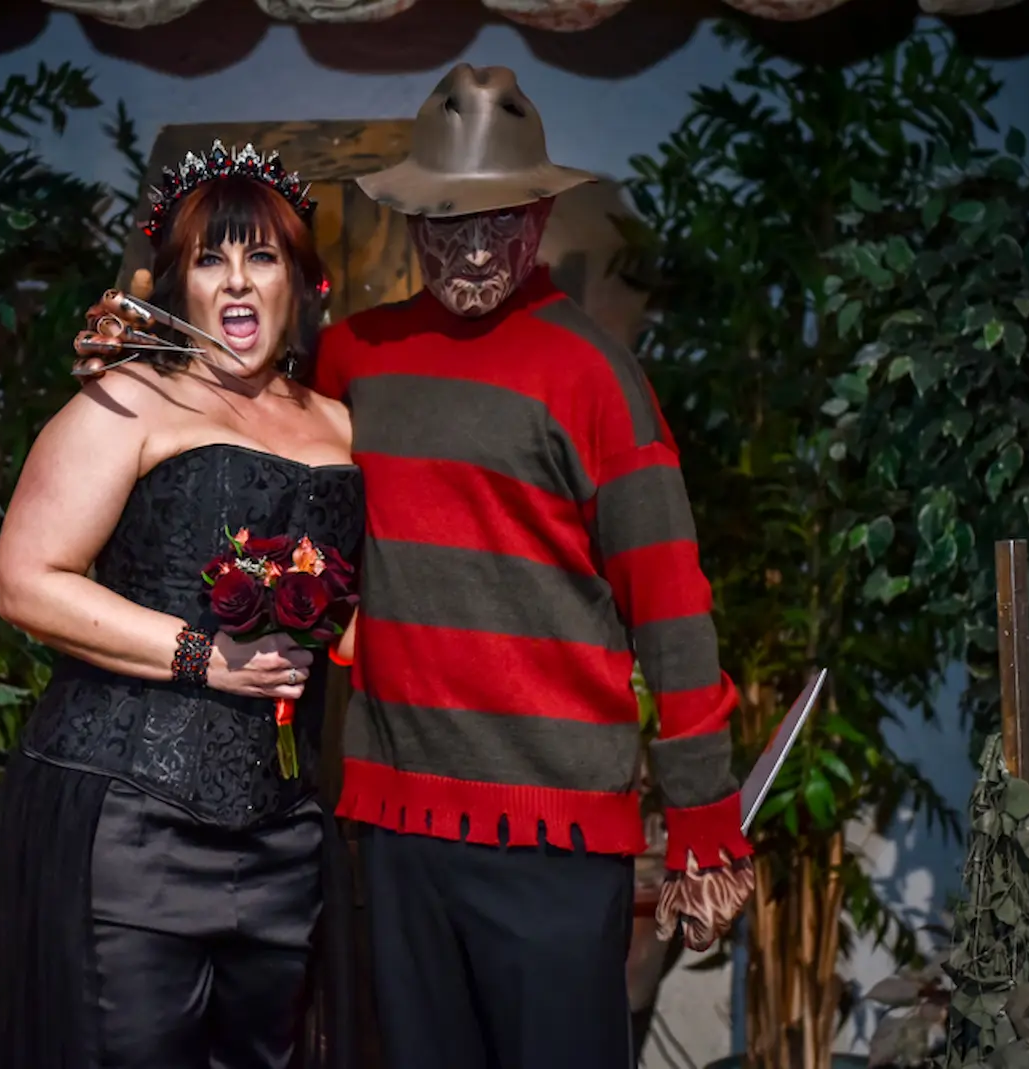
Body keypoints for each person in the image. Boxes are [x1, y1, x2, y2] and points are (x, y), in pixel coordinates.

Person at [313, 65, 755, 1069]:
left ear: (542, 213)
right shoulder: (349, 361)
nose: (471, 246)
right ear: (407, 217)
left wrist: (702, 822)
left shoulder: (593, 373)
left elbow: (671, 603)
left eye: (499, 217)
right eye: (445, 219)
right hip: (395, 819)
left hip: (553, 839)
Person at [0, 141, 363, 1069]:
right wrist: (201, 654)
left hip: (284, 837)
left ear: (303, 282)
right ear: (176, 282)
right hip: (134, 825)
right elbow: (26, 577)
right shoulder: (128, 401)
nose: (236, 281)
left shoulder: (346, 425)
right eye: (208, 258)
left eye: (261, 256)